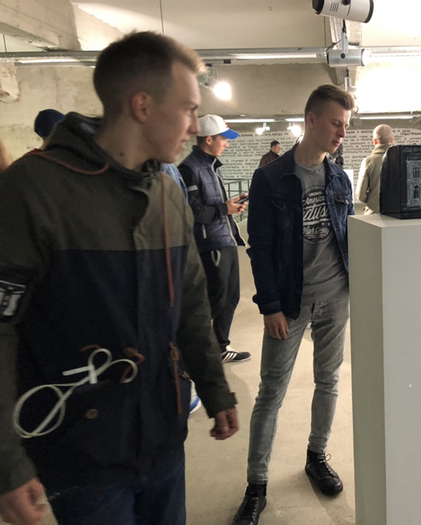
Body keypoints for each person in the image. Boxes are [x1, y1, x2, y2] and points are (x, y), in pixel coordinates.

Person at [0, 31, 240, 525]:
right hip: (79, 457)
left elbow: (192, 303)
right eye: (188, 109)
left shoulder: (167, 194)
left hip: (163, 439)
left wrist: (214, 388)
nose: (194, 126)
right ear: (142, 106)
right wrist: (7, 462)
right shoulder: (32, 189)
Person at [232, 84, 354, 525]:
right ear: (311, 120)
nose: (342, 132)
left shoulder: (340, 178)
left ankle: (316, 456)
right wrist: (270, 306)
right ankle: (256, 485)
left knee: (328, 380)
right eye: (336, 123)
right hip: (289, 301)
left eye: (346, 125)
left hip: (335, 296)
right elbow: (260, 247)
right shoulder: (271, 178)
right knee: (271, 391)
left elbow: (347, 238)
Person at [178, 114, 251, 364]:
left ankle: (219, 346)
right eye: (223, 138)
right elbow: (192, 210)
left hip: (225, 239)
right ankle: (193, 350)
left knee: (230, 296)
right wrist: (223, 209)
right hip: (210, 243)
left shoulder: (210, 167)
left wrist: (229, 207)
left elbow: (212, 205)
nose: (226, 144)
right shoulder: (189, 169)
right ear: (208, 139)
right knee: (215, 298)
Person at [355, 124, 393, 214]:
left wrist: (373, 200)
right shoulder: (402, 160)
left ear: (374, 141)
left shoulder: (368, 161)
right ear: (392, 140)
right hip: (397, 215)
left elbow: (360, 195)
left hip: (374, 213)